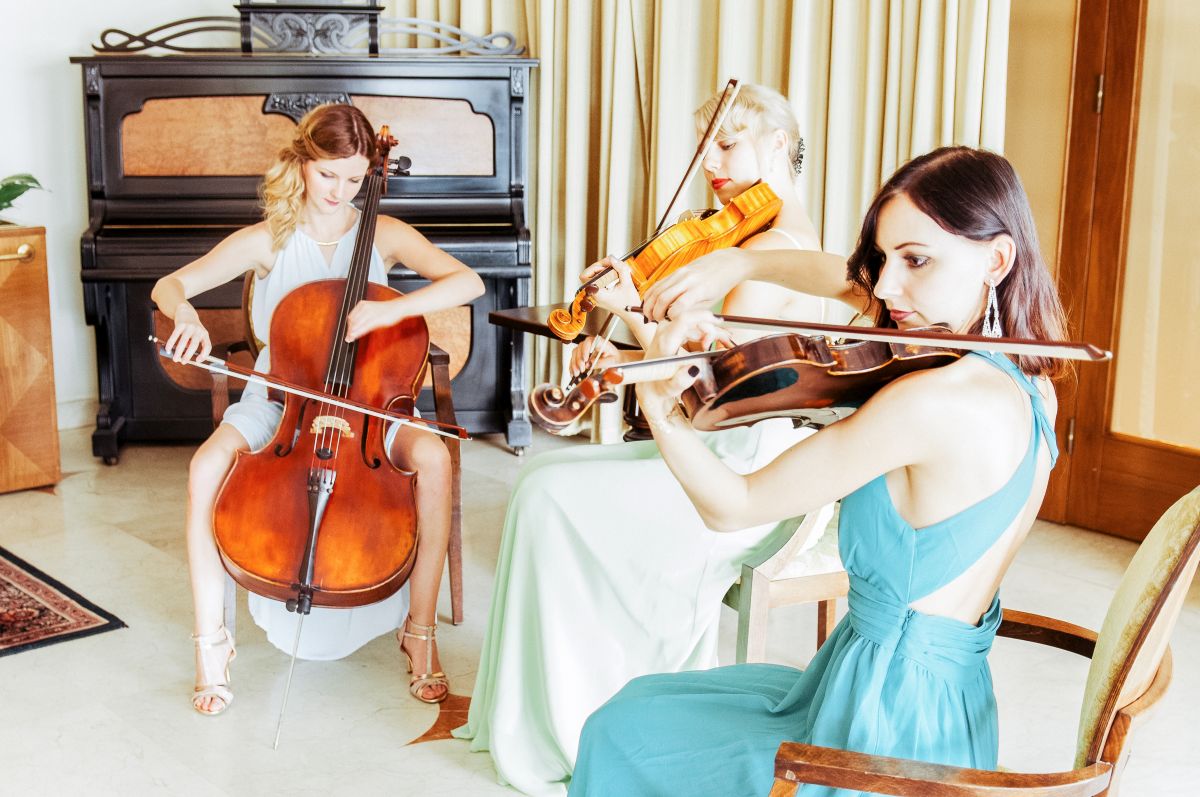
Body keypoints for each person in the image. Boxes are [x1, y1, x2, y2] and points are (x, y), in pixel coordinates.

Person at [569, 145, 1068, 795]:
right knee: (650, 707)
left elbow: (734, 504)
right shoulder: (1032, 383)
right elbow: (842, 277)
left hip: (877, 733)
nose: (883, 288)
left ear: (996, 260)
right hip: (946, 711)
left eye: (916, 259)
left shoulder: (929, 402)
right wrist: (739, 260)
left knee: (624, 730)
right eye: (883, 259)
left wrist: (662, 409)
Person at [453, 84, 840, 796]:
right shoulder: (744, 239)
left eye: (727, 144)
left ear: (778, 146)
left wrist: (631, 313)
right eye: (705, 148)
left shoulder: (776, 248)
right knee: (537, 482)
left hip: (741, 463)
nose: (711, 164)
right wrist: (625, 347)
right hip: (710, 441)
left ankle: (577, 717)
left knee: (549, 499)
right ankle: (544, 708)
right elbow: (688, 360)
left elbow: (709, 381)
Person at [152, 104, 484, 715]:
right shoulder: (267, 240)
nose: (341, 191)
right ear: (303, 163)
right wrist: (187, 314)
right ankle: (212, 642)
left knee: (435, 459)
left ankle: (419, 631)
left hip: (370, 399)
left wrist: (392, 309)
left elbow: (469, 283)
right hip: (281, 399)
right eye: (329, 174)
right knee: (205, 467)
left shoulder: (383, 232)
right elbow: (169, 286)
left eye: (355, 178)